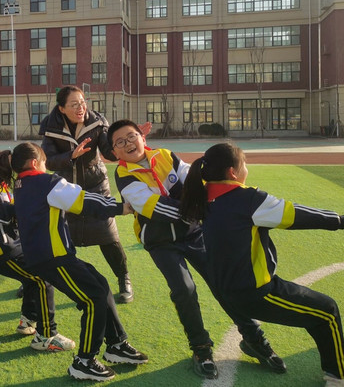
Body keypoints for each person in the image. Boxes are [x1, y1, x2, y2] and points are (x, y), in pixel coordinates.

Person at [179, 142, 344, 387]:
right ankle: (338, 376)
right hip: (255, 293)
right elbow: (295, 214)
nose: (246, 168)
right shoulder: (247, 200)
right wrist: (342, 220)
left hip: (232, 292)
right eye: (244, 163)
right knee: (327, 311)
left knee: (317, 313)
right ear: (233, 172)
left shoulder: (207, 198)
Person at [107, 120, 284, 379]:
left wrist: (206, 195)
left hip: (193, 233)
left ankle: (254, 338)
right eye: (120, 142)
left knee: (223, 282)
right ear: (115, 153)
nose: (128, 143)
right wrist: (196, 205)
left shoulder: (166, 155)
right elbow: (153, 207)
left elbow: (194, 178)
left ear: (142, 137)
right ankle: (201, 348)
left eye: (131, 136)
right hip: (161, 242)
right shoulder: (124, 175)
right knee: (184, 290)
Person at [0, 143, 148, 382]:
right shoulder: (46, 183)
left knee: (100, 284)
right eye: (44, 161)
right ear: (35, 163)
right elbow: (83, 201)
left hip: (47, 257)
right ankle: (84, 361)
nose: (46, 166)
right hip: (53, 258)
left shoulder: (21, 185)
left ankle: (116, 343)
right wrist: (122, 207)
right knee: (93, 297)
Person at [0, 145, 74, 351]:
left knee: (35, 276)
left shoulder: (2, 184)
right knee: (42, 278)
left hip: (13, 247)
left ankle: (28, 320)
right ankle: (46, 335)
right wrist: (18, 209)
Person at [39, 85, 137, 303]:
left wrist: (129, 144)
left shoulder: (97, 122)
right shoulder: (51, 126)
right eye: (74, 104)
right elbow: (49, 161)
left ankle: (124, 279)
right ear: (62, 108)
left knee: (108, 236)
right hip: (66, 189)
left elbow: (108, 151)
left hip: (96, 184)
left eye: (82, 102)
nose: (80, 108)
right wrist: (70, 155)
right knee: (56, 238)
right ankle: (41, 279)